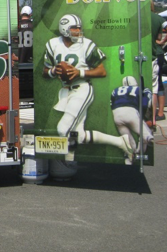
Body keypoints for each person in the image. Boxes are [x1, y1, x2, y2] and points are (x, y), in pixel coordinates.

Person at [43, 14, 134, 162]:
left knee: (63, 128)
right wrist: (54, 71)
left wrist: (80, 72)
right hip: (66, 91)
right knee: (79, 135)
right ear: (64, 28)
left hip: (83, 89)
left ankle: (67, 162)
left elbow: (102, 71)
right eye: (74, 28)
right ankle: (121, 142)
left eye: (79, 28)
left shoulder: (86, 44)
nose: (78, 31)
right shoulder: (53, 44)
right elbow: (45, 71)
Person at [110, 76, 154, 164]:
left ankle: (129, 160)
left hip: (117, 115)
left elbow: (112, 105)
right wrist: (143, 117)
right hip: (131, 113)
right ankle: (145, 145)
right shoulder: (139, 89)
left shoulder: (115, 90)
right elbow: (146, 104)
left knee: (128, 142)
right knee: (147, 134)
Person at [149, 2, 166, 123]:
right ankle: (160, 112)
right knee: (158, 84)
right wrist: (161, 41)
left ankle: (150, 113)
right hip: (158, 52)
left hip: (148, 54)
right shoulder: (159, 19)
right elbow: (159, 37)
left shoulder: (139, 18)